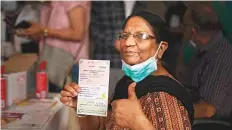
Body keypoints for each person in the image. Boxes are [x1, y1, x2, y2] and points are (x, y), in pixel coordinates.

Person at [60, 11, 193, 130]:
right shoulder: (127, 83)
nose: (128, 42)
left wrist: (137, 122)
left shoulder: (165, 97)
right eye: (124, 35)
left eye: (140, 36)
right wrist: (84, 108)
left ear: (162, 48)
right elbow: (100, 126)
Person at [16, 1, 91, 92]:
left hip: (69, 66)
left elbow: (78, 34)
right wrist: (35, 32)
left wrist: (43, 30)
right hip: (51, 64)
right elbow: (50, 34)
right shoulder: (47, 4)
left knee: (67, 103)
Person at [180, 2, 232, 121]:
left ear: (193, 31)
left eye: (185, 26)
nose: (182, 31)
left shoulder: (220, 58)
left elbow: (207, 109)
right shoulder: (203, 51)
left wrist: (171, 113)